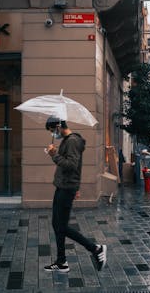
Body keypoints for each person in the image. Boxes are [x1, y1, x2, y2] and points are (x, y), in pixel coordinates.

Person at [44, 116, 107, 273]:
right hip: (63, 186)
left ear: (58, 126)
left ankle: (96, 249)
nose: (53, 133)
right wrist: (76, 186)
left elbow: (71, 165)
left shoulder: (72, 141)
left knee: (62, 226)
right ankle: (61, 262)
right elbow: (76, 166)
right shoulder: (67, 140)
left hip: (66, 188)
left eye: (52, 130)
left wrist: (54, 155)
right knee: (56, 224)